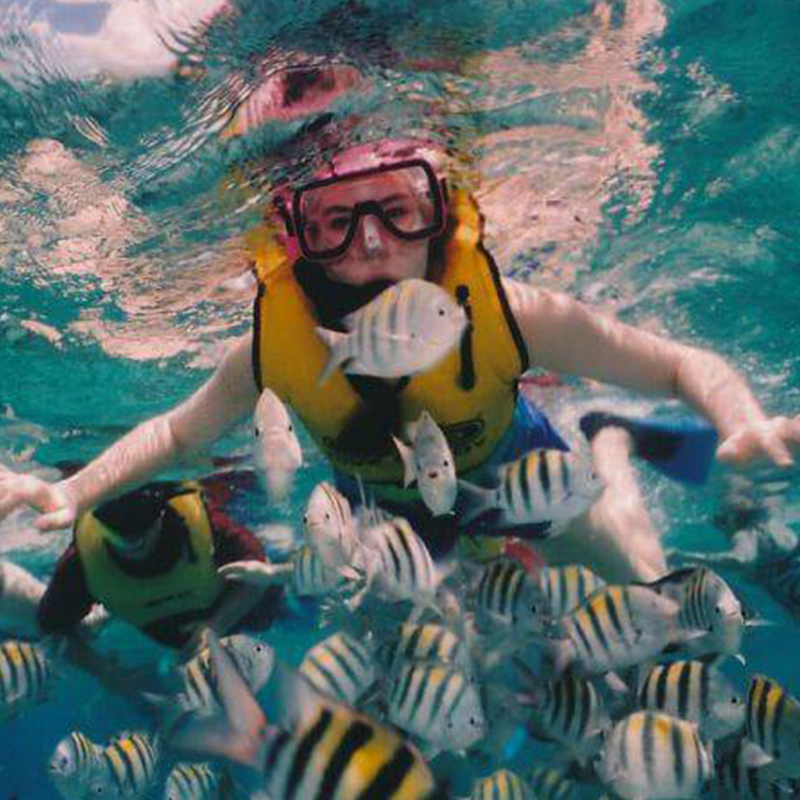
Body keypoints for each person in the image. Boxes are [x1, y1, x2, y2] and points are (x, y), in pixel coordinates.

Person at [1, 137, 799, 585]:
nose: (373, 241)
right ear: (297, 245)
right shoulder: (274, 348)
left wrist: (738, 419)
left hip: (518, 463)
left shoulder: (512, 314)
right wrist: (72, 491)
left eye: (397, 209)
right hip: (382, 512)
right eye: (335, 223)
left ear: (438, 217)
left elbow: (676, 366)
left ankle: (609, 447)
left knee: (639, 581)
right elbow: (178, 434)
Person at [36, 479, 282, 694]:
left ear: (163, 505)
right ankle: (106, 612)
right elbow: (53, 628)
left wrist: (216, 626)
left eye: (142, 510)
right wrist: (104, 671)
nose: (131, 529)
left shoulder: (205, 522)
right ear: (96, 512)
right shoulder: (82, 563)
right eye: (113, 513)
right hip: (177, 645)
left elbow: (259, 568)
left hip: (249, 611)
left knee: (282, 601)